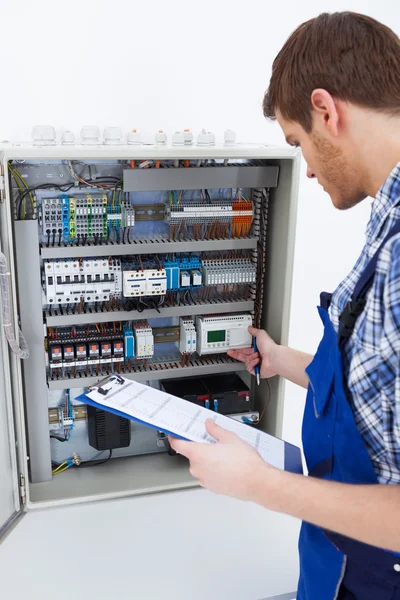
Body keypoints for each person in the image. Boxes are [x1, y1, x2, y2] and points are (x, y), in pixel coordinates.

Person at [169, 11, 400, 600]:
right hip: (340, 564)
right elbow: (374, 381)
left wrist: (260, 485)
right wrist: (281, 359)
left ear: (327, 110)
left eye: (297, 142)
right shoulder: (386, 216)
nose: (308, 167)